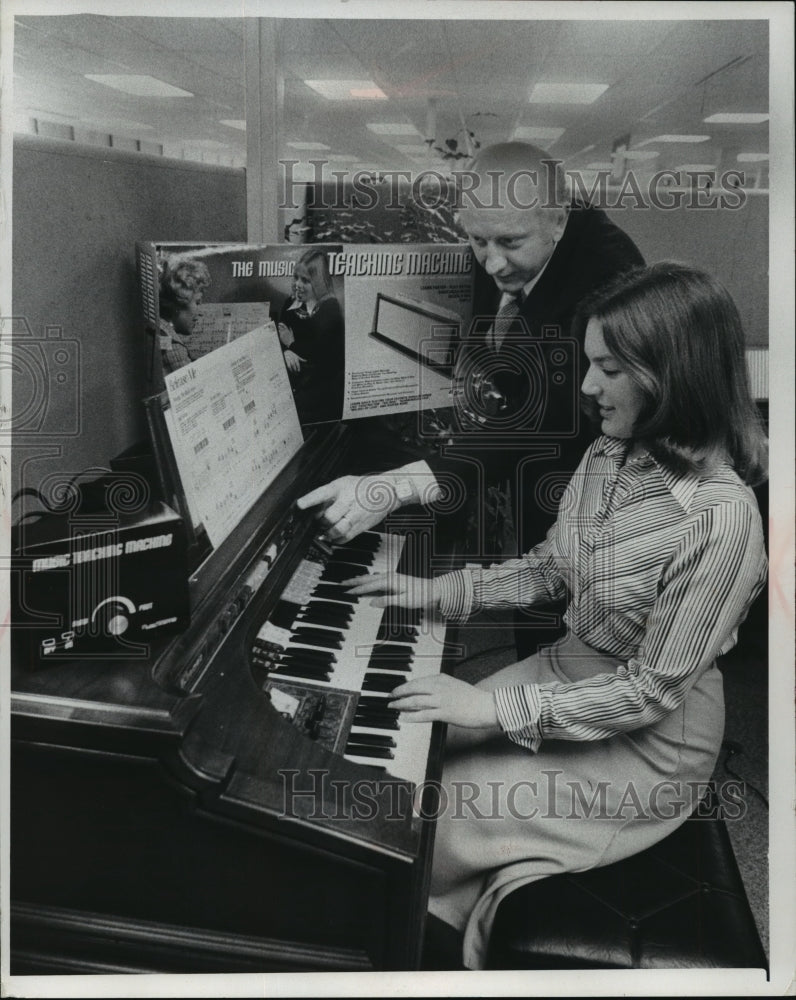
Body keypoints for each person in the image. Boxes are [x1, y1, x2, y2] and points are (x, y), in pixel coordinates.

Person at [343, 262, 768, 971]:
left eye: (607, 368)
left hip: (648, 740)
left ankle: (409, 948)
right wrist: (439, 592)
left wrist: (486, 705)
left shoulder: (723, 520)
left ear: (672, 375)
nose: (586, 387)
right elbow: (550, 569)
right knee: (412, 765)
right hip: (564, 673)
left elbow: (650, 692)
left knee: (432, 823)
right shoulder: (609, 451)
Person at [297, 141, 644, 655]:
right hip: (527, 468)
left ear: (558, 221)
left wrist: (408, 483)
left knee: (573, 632)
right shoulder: (506, 245)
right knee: (536, 614)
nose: (493, 263)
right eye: (478, 240)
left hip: (595, 478)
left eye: (509, 241)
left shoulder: (607, 273)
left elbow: (553, 409)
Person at [278, 248, 345, 424]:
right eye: (296, 277)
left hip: (320, 394)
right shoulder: (290, 303)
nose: (297, 285)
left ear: (319, 282)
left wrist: (292, 345)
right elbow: (279, 338)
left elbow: (322, 360)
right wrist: (286, 352)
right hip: (292, 382)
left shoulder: (330, 309)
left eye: (305, 280)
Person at [158, 255, 211, 375]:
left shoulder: (161, 329)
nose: (200, 312)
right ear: (178, 303)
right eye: (197, 302)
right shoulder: (171, 345)